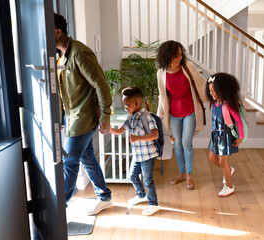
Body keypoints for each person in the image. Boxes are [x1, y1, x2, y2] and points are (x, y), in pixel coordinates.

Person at [54, 13, 113, 215]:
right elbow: (65, 92)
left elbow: (101, 85)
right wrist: (62, 117)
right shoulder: (60, 57)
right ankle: (104, 196)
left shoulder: (80, 53)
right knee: (87, 158)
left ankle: (59, 209)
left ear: (57, 32)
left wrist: (106, 116)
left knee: (70, 162)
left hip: (84, 118)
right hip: (73, 118)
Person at [156, 40, 207, 190]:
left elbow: (201, 83)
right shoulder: (161, 73)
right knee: (176, 144)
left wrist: (216, 90)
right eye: (176, 56)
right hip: (173, 114)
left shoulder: (188, 67)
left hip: (190, 111)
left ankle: (190, 174)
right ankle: (182, 173)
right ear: (167, 56)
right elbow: (162, 96)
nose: (179, 58)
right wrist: (160, 115)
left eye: (180, 55)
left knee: (186, 143)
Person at [109, 86, 160, 216]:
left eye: (126, 105)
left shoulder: (147, 117)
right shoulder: (130, 118)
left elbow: (155, 135)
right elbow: (120, 131)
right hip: (138, 155)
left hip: (148, 155)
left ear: (137, 103)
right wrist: (107, 129)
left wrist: (138, 138)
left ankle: (154, 204)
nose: (125, 108)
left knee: (148, 181)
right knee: (132, 176)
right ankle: (141, 195)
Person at [205, 73, 248, 197]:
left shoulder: (227, 105)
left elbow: (239, 121)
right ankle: (230, 170)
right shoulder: (214, 104)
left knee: (223, 162)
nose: (212, 94)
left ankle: (229, 187)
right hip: (216, 136)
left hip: (226, 136)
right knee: (211, 158)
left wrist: (241, 137)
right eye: (210, 91)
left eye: (215, 91)